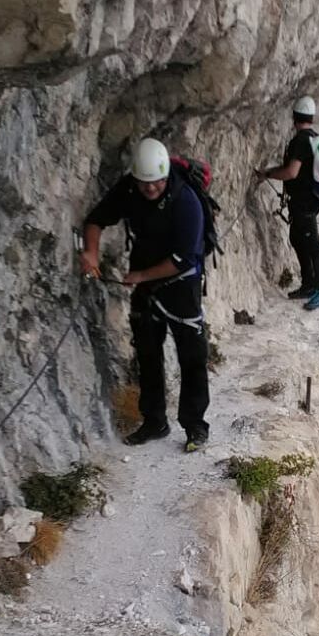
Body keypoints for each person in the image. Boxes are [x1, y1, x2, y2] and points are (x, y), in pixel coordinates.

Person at [80, 138, 211, 453]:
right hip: (144, 281)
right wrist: (91, 253)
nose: (151, 189)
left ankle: (195, 426)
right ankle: (154, 421)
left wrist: (140, 276)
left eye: (157, 183)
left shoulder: (186, 201)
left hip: (182, 284)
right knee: (148, 353)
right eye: (145, 183)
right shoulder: (129, 190)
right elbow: (96, 219)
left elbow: (184, 259)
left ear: (167, 176)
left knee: (192, 356)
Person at [257, 96, 319, 311]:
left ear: (294, 117)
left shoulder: (300, 141)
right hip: (307, 201)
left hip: (304, 203)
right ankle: (309, 284)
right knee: (297, 238)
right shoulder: (314, 139)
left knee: (312, 243)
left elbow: (291, 171)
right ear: (311, 117)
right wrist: (269, 172)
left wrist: (268, 174)